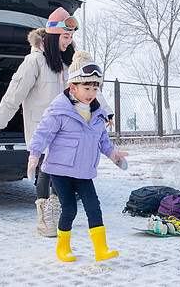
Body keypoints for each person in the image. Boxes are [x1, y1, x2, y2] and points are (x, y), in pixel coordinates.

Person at [0, 7, 113, 237]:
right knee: (45, 170)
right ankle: (44, 215)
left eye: (71, 37)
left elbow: (88, 86)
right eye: (65, 37)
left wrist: (106, 112)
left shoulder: (69, 63)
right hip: (43, 126)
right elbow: (14, 93)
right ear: (54, 36)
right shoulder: (34, 61)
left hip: (68, 128)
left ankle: (58, 211)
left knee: (62, 171)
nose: (69, 41)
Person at [27, 50, 127, 262]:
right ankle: (62, 248)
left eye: (95, 88)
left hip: (84, 171)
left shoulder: (97, 114)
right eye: (86, 87)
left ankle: (101, 249)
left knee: (94, 207)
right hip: (60, 171)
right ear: (73, 87)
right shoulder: (60, 111)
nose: (91, 93)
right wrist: (34, 155)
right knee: (69, 209)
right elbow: (43, 134)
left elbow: (102, 141)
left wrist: (113, 153)